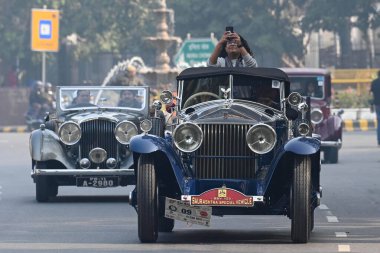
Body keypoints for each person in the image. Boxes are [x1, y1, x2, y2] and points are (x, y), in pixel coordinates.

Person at [370, 70, 380, 146]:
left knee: (379, 123)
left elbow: (371, 94)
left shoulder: (374, 82)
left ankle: (379, 141)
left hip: (377, 105)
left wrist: (371, 105)